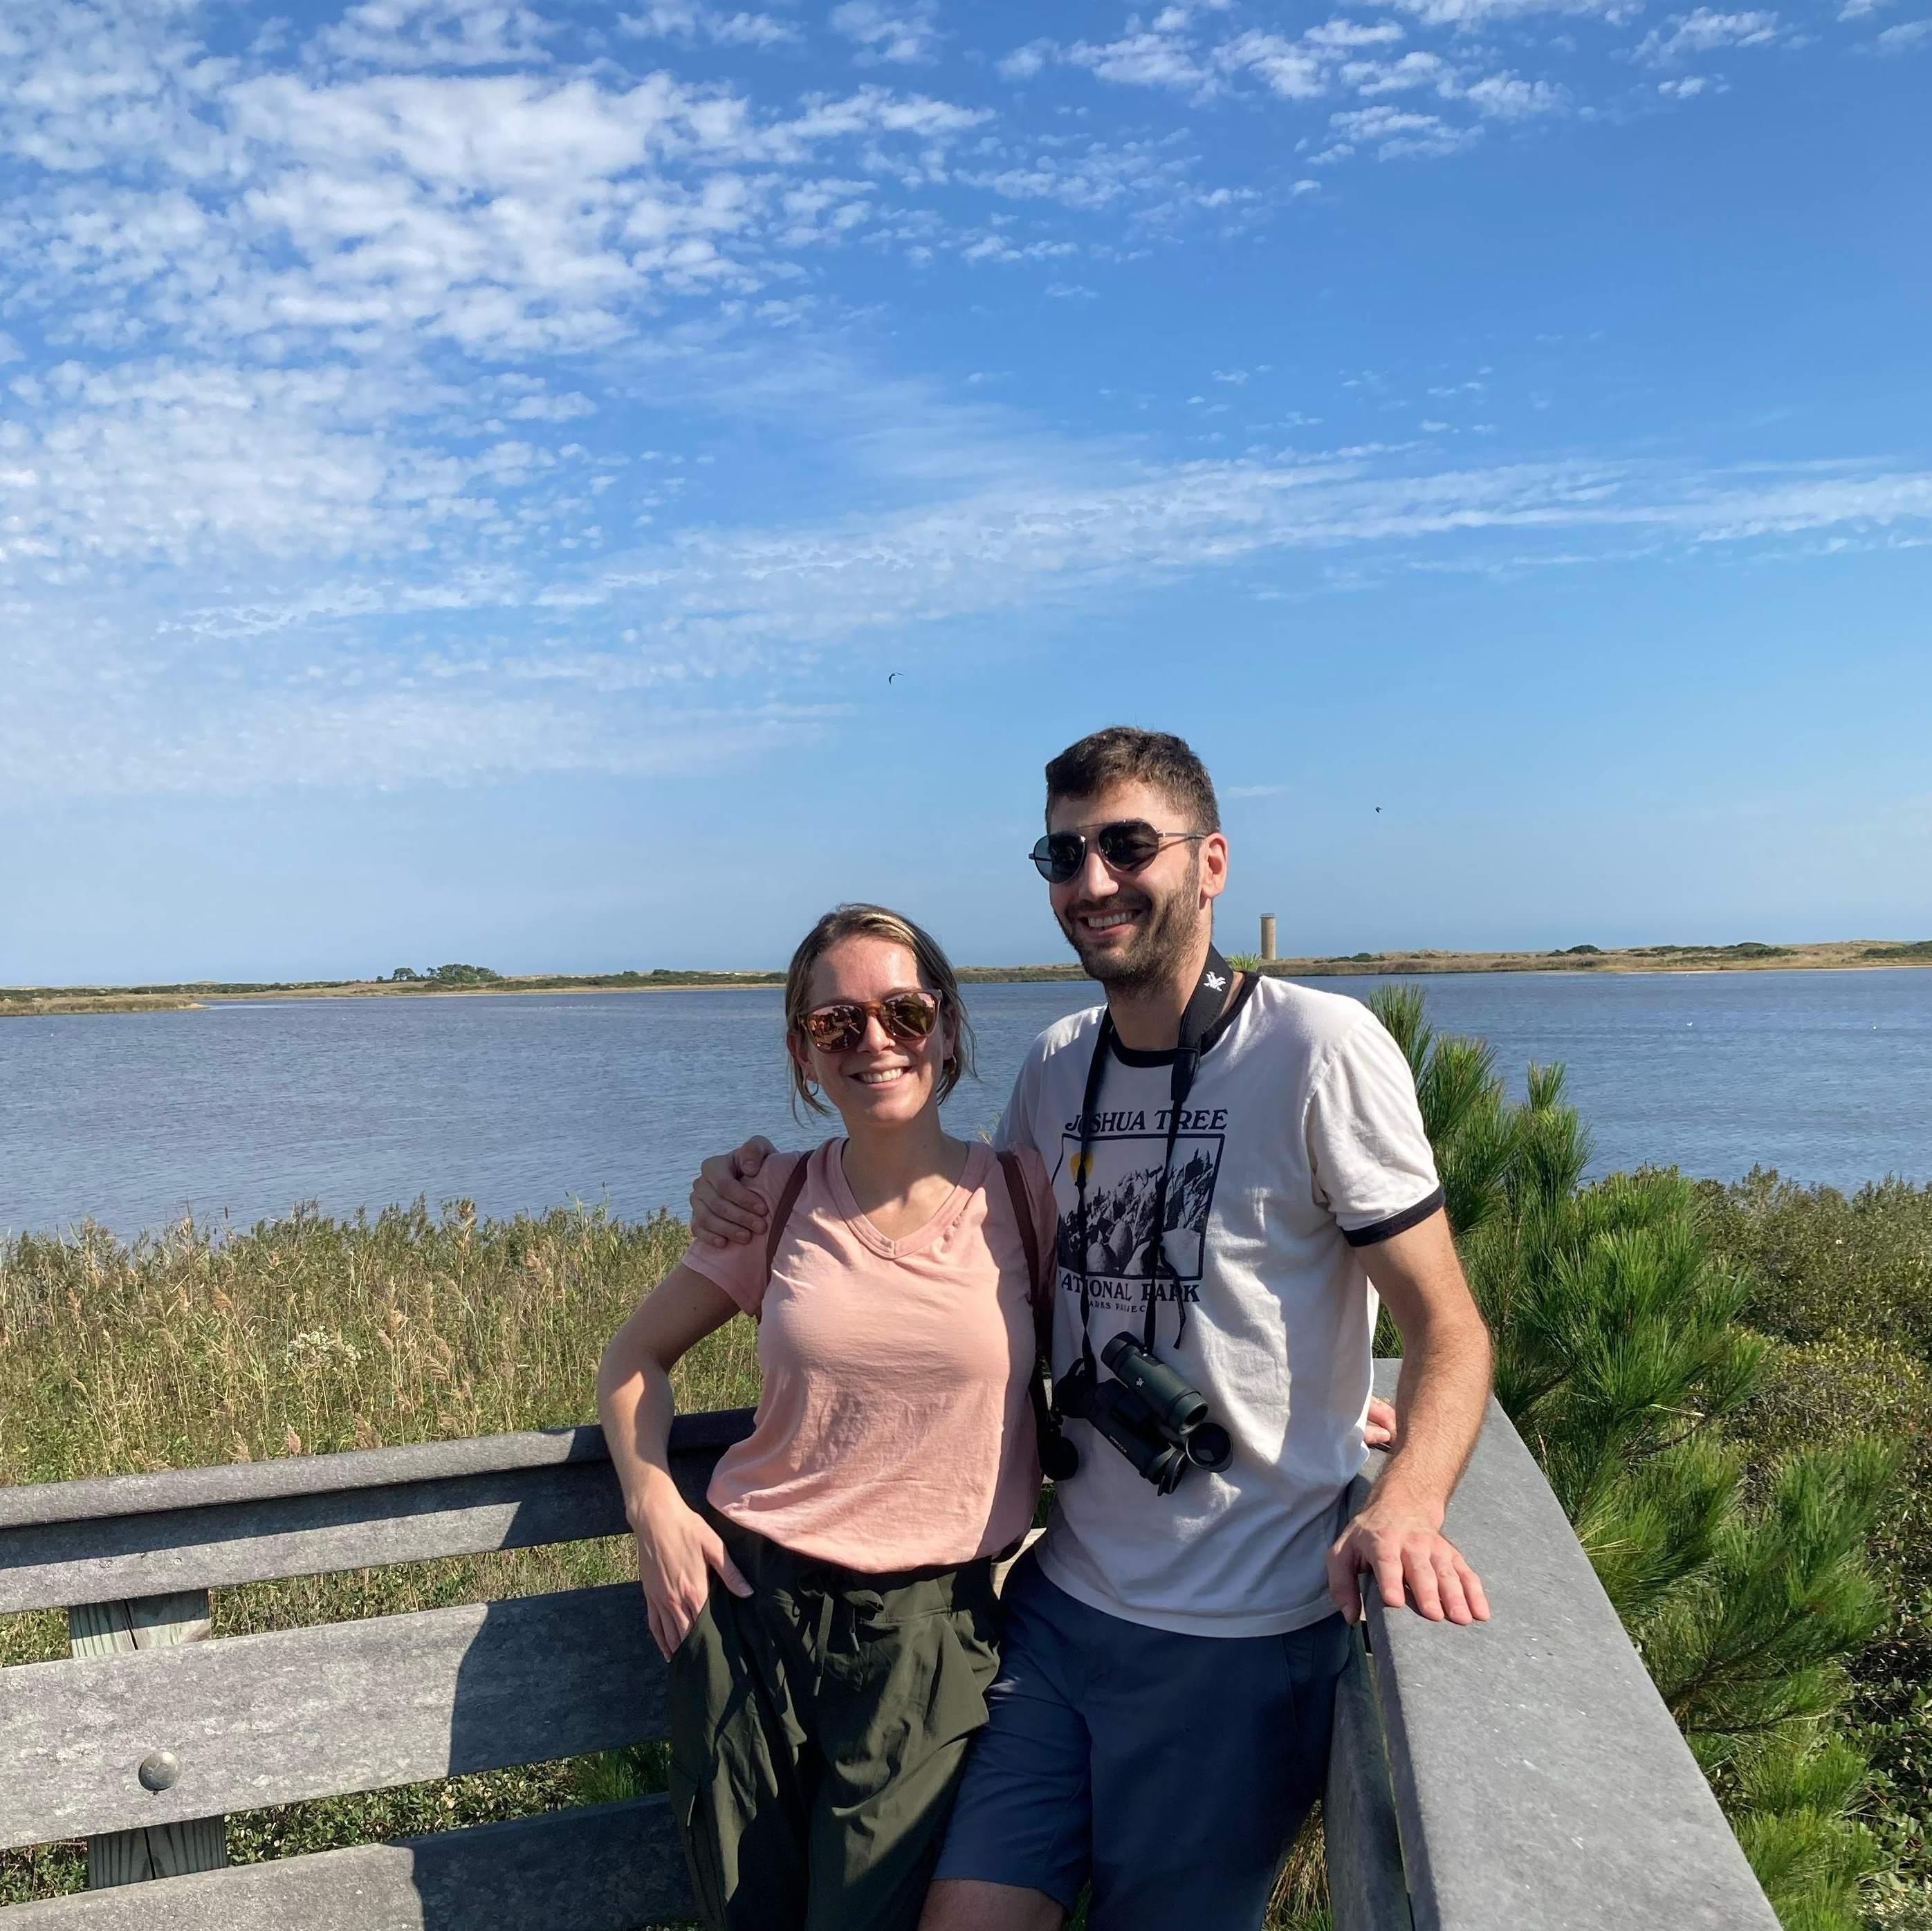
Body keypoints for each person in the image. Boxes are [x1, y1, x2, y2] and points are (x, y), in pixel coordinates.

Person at [688, 727, 1494, 1931]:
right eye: (1063, 855)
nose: (1093, 881)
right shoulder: (1061, 1067)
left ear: (1210, 862)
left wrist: (1407, 1497)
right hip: (1061, 1609)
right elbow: (966, 1270)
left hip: (1236, 1635)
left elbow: (1450, 1328)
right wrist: (739, 1185)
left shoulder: (1318, 1049)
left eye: (1127, 846)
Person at [596, 903, 1058, 1931]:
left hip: (928, 1634)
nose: (875, 1042)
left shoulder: (1024, 1201)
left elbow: (1146, 1332)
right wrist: (656, 1506)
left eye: (902, 1011)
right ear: (803, 1055)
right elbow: (635, 1358)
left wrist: (1313, 1409)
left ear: (947, 1027)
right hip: (746, 1607)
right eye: (835, 1024)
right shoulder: (772, 1195)